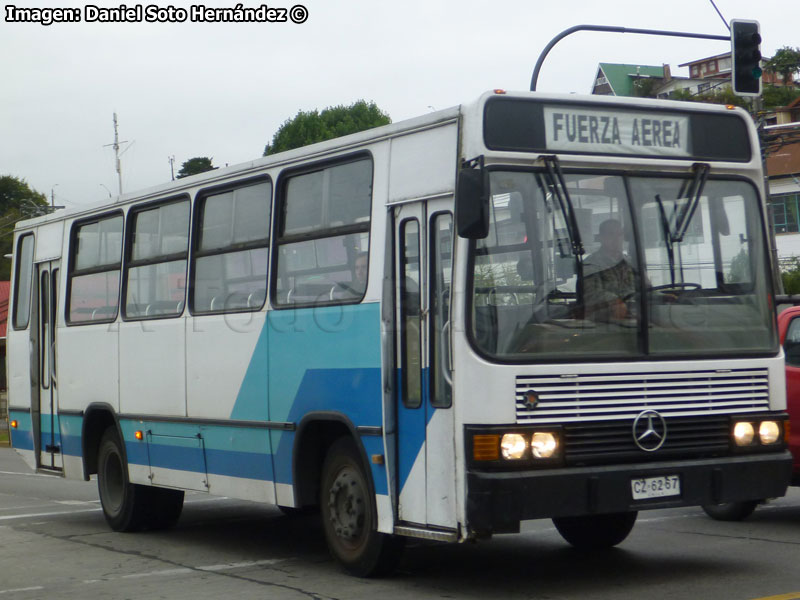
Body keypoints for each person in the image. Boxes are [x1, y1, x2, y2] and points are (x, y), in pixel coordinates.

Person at [583, 219, 637, 321]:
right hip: (602, 323)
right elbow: (590, 294)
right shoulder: (591, 264)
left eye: (619, 234)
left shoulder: (630, 262)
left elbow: (643, 287)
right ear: (601, 238)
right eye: (611, 234)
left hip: (634, 320)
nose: (616, 239)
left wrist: (660, 296)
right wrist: (615, 301)